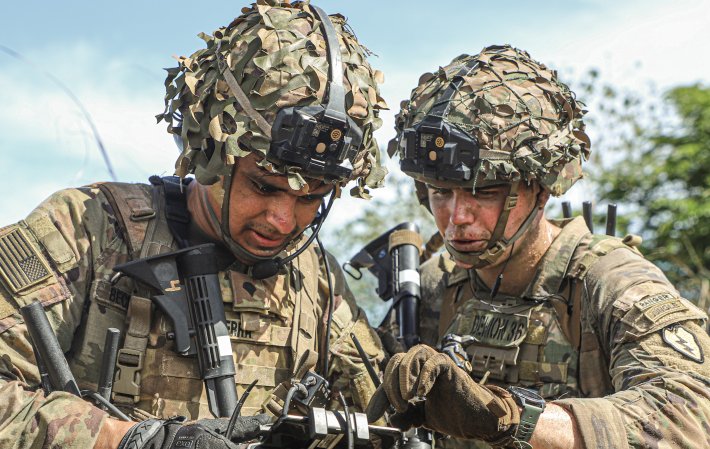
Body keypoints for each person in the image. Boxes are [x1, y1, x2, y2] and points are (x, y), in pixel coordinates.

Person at [0, 2, 388, 448]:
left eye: (312, 198)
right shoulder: (87, 228)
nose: (283, 220)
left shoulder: (318, 282)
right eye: (264, 187)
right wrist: (132, 440)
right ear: (210, 152)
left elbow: (377, 420)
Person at [368, 45, 710, 449]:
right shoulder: (433, 288)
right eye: (441, 192)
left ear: (541, 187)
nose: (457, 216)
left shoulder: (611, 283)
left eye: (485, 193)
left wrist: (511, 417)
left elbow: (687, 417)